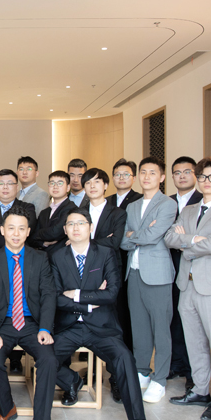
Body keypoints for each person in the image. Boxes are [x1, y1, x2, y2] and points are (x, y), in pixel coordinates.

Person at [51, 209, 156, 420]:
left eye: (81, 223)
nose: (76, 228)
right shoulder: (55, 256)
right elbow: (54, 297)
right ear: (65, 230)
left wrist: (76, 294)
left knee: (125, 359)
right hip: (68, 326)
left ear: (90, 228)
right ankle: (72, 381)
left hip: (101, 327)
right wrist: (90, 301)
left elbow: (111, 294)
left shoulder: (106, 253)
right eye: (71, 224)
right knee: (43, 355)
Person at [165, 157, 211, 420]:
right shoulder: (187, 210)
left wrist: (186, 244)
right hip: (187, 285)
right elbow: (169, 238)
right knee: (194, 341)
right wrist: (194, 239)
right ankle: (199, 390)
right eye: (203, 177)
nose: (207, 181)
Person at [0, 206, 57, 420]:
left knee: (48, 360)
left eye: (21, 229)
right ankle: (7, 409)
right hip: (3, 323)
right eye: (11, 228)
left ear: (28, 232)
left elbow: (48, 295)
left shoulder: (40, 258)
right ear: (3, 230)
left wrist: (45, 328)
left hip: (32, 323)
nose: (16, 233)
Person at [120, 156, 177, 404]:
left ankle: (160, 379)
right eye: (143, 172)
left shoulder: (168, 204)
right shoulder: (132, 206)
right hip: (133, 272)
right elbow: (122, 241)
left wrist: (136, 234)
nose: (147, 177)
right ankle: (142, 371)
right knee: (139, 327)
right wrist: (139, 234)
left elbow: (153, 236)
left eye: (152, 173)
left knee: (161, 329)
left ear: (162, 177)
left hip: (158, 275)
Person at [81, 167, 128, 403]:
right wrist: (101, 240)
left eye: (97, 182)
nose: (92, 186)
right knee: (86, 320)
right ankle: (90, 372)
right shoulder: (78, 211)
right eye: (88, 182)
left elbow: (115, 242)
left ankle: (116, 378)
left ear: (106, 186)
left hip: (108, 273)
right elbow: (71, 239)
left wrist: (86, 240)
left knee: (111, 325)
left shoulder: (117, 212)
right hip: (83, 272)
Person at [168, 156, 202, 390]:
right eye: (177, 172)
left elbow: (203, 239)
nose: (182, 176)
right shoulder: (166, 202)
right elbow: (165, 235)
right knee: (173, 319)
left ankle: (193, 372)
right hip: (169, 268)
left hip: (194, 270)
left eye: (187, 172)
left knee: (193, 323)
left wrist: (183, 239)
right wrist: (185, 238)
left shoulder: (203, 201)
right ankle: (176, 364)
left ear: (195, 175)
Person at [108, 158, 142, 354]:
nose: (121, 178)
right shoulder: (107, 200)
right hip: (108, 261)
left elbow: (138, 233)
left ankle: (128, 354)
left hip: (130, 261)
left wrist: (121, 236)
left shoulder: (139, 200)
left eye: (126, 174)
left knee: (127, 310)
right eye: (117, 174)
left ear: (134, 178)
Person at [28, 171, 76, 257]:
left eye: (60, 183)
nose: (55, 186)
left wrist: (38, 233)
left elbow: (56, 232)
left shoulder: (71, 208)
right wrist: (43, 243)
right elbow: (31, 238)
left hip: (62, 257)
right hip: (43, 258)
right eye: (52, 183)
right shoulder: (44, 212)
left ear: (68, 187)